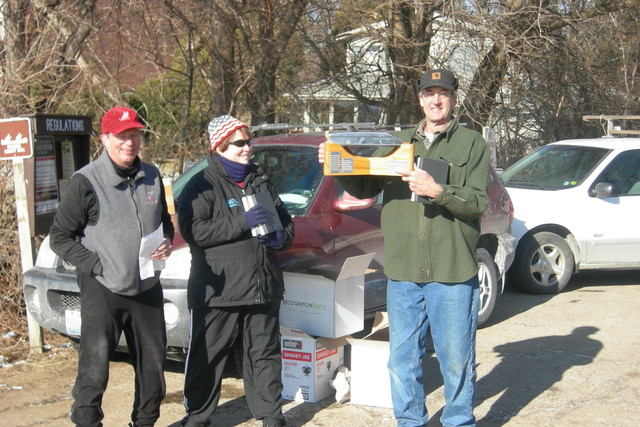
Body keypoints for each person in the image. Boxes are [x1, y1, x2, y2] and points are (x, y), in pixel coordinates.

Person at [318, 69, 490, 427]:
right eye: (429, 93)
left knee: (455, 358)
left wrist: (436, 191)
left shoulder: (471, 143)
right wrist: (336, 162)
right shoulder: (399, 143)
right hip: (404, 270)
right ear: (420, 99)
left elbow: (476, 203)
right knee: (402, 359)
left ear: (454, 99)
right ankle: (410, 422)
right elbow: (365, 185)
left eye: (443, 93)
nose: (436, 100)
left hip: (452, 270)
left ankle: (458, 421)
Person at [49, 106, 174, 427]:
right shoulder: (86, 181)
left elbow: (163, 222)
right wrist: (95, 264)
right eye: (121, 136)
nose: (129, 142)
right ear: (104, 139)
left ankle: (144, 422)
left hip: (146, 286)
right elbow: (60, 238)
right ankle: (87, 422)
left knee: (152, 367)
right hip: (103, 288)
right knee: (95, 368)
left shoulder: (152, 175)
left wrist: (167, 240)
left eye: (134, 134)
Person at [177, 115, 294, 427]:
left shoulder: (261, 179)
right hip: (219, 291)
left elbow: (285, 220)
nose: (247, 148)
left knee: (265, 356)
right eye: (239, 143)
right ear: (220, 147)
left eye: (248, 141)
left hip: (263, 286)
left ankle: (271, 416)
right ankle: (198, 418)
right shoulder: (200, 185)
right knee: (207, 358)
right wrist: (244, 220)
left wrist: (281, 235)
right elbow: (194, 232)